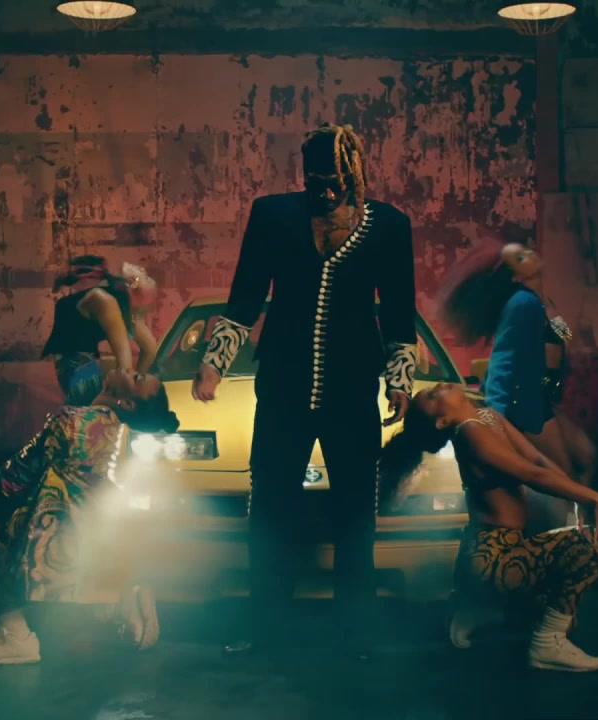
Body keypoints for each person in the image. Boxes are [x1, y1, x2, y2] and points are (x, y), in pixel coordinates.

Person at [191, 123, 418, 658]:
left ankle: (357, 631)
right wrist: (214, 364)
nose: (324, 191)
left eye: (334, 180)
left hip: (352, 388)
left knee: (356, 511)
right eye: (315, 180)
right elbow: (246, 295)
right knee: (270, 507)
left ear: (354, 174)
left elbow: (399, 309)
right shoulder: (274, 215)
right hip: (283, 387)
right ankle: (265, 627)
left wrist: (399, 380)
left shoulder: (388, 225)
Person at [0, 368, 180, 665]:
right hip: (100, 543)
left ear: (127, 402)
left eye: (137, 379)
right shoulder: (115, 431)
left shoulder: (72, 421)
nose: (130, 370)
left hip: (60, 542)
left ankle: (17, 637)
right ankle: (128, 592)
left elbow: (13, 480)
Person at [379, 383, 598, 672]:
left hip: (497, 552)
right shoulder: (469, 433)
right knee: (594, 544)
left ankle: (475, 607)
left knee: (550, 608)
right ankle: (546, 643)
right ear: (443, 420)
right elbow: (531, 473)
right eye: (432, 396)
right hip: (493, 558)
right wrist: (594, 498)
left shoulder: (487, 416)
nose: (438, 387)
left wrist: (576, 501)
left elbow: (538, 459)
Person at [440, 242, 598, 503]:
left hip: (538, 398)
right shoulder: (522, 304)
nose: (531, 254)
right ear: (515, 276)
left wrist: (546, 301)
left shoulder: (536, 301)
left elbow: (565, 336)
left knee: (586, 456)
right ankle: (572, 521)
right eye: (521, 258)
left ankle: (577, 516)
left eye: (525, 251)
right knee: (564, 476)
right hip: (521, 403)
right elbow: (502, 361)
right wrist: (495, 420)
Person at [43, 256, 160, 402]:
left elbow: (149, 349)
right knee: (94, 407)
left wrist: (137, 382)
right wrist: (130, 393)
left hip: (79, 361)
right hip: (74, 366)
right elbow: (125, 362)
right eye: (140, 309)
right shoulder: (104, 300)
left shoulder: (125, 306)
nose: (140, 314)